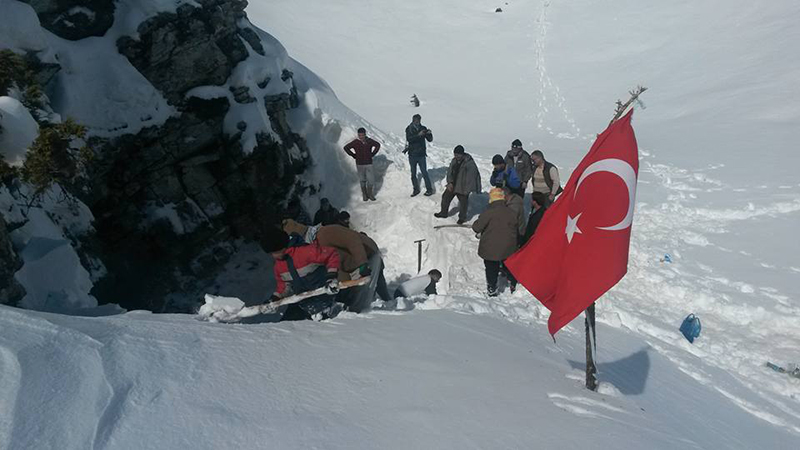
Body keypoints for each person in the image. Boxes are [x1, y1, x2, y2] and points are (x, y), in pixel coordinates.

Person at [269, 235, 342, 321]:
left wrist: (331, 276)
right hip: (302, 302)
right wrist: (276, 298)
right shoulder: (278, 266)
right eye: (271, 254)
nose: (274, 256)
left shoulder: (306, 252)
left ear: (282, 247)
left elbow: (331, 255)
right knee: (284, 327)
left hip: (325, 296)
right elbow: (284, 285)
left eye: (276, 252)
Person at [282, 219, 370, 281]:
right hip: (350, 270)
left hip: (367, 256)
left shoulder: (325, 232)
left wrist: (362, 264)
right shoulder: (310, 250)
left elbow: (352, 239)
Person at [472, 188, 519, 297]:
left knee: (491, 268)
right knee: (508, 265)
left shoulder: (488, 213)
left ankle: (492, 288)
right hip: (508, 247)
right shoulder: (511, 212)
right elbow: (517, 227)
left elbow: (476, 227)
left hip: (490, 247)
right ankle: (513, 282)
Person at [434, 145, 481, 224]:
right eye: (455, 154)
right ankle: (443, 213)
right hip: (453, 185)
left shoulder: (469, 163)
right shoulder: (454, 161)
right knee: (445, 197)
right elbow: (450, 172)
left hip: (463, 187)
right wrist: (449, 182)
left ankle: (462, 218)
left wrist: (467, 190)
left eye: (458, 155)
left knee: (463, 203)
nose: (456, 156)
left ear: (462, 154)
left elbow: (472, 178)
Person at [343, 128, 381, 201]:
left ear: (365, 134)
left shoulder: (369, 141)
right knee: (362, 180)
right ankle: (364, 194)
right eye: (359, 135)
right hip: (359, 164)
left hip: (368, 163)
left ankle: (370, 194)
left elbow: (377, 145)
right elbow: (346, 148)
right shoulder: (356, 142)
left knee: (371, 180)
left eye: (362, 135)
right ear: (358, 135)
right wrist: (353, 155)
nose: (361, 137)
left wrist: (372, 154)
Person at [404, 114, 434, 197]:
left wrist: (429, 134)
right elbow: (409, 139)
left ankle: (429, 189)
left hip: (421, 154)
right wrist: (418, 135)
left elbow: (430, 140)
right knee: (413, 173)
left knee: (424, 172)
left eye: (419, 120)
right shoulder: (409, 129)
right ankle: (416, 189)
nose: (418, 122)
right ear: (413, 120)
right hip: (412, 154)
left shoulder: (423, 128)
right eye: (416, 120)